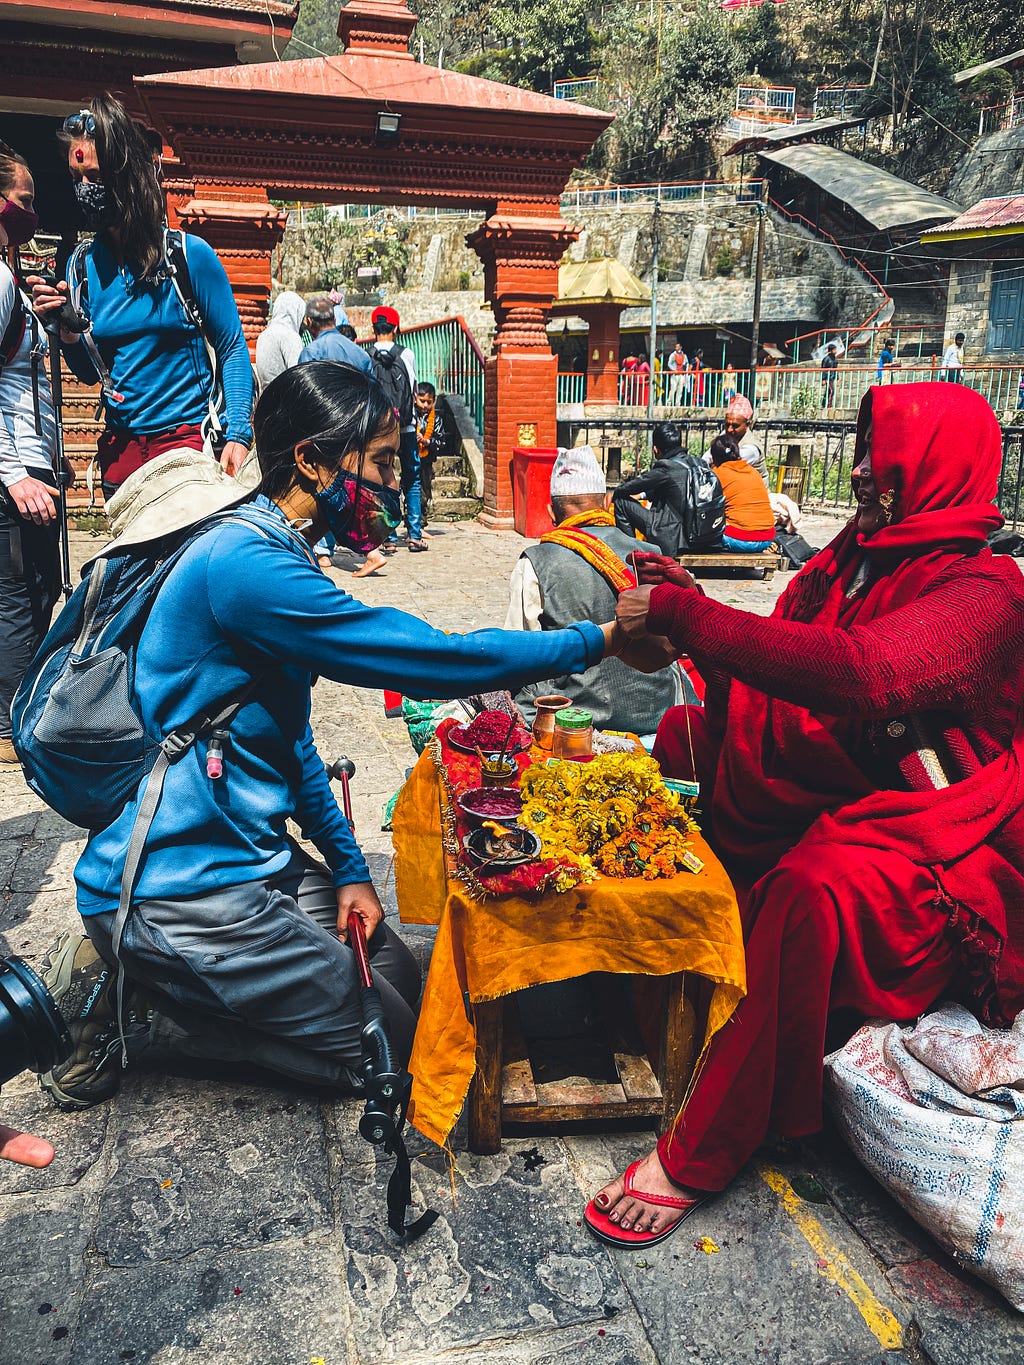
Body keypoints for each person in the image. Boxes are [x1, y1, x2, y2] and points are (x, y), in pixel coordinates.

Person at [35, 362, 650, 1112]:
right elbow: (436, 659)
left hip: (252, 861)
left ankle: (180, 980)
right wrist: (600, 640)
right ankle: (146, 1006)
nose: (394, 483)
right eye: (383, 462)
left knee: (406, 985)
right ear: (313, 461)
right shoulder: (247, 565)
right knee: (389, 1052)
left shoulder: (278, 550)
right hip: (181, 887)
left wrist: (352, 871)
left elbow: (290, 743)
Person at [585, 382, 1024, 1248]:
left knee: (809, 890)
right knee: (683, 738)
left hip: (940, 830)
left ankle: (704, 1148)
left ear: (932, 469)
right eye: (861, 452)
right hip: (855, 778)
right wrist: (692, 608)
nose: (859, 472)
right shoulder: (860, 554)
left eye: (880, 458)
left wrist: (687, 614)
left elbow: (865, 673)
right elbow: (795, 642)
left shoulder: (989, 590)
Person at [29, 96, 254, 497]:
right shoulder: (81, 268)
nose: (84, 190)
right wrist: (66, 330)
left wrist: (237, 431)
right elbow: (88, 372)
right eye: (76, 178)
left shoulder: (188, 257)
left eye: (95, 177)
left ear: (125, 174)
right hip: (123, 457)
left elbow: (233, 345)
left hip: (186, 451)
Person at [505, 446, 683, 738]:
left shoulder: (536, 562)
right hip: (656, 715)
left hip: (575, 725)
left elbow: (517, 652)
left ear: (551, 513)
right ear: (607, 503)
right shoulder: (652, 555)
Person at [0, 143, 61, 769]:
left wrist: (62, 324)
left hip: (31, 458)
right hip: (12, 467)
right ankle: (8, 724)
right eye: (22, 202)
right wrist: (14, 474)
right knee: (17, 597)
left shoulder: (15, 279)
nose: (32, 216)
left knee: (39, 590)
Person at [612, 420, 725, 557]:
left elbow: (628, 487)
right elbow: (676, 490)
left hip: (673, 539)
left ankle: (629, 555)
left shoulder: (666, 467)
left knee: (620, 501)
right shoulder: (699, 463)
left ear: (656, 449)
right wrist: (643, 495)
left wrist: (612, 494)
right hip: (705, 538)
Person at [370, 306, 424, 552]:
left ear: (373, 329)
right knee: (411, 478)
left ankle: (388, 538)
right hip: (406, 427)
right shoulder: (407, 354)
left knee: (382, 478)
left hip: (379, 429)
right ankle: (414, 535)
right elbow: (413, 390)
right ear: (395, 329)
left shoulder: (366, 356)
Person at [708, 432, 776, 553]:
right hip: (767, 537)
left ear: (714, 457)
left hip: (739, 539)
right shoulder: (753, 471)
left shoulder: (717, 474)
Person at [297, 296, 372, 375]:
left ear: (309, 322)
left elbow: (303, 385)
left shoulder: (311, 353)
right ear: (335, 320)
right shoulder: (360, 352)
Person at [255, 290, 306, 390]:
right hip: (285, 397)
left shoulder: (264, 334)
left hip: (267, 395)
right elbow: (298, 373)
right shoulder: (290, 336)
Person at [413, 381, 450, 514]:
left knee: (425, 491)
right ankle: (412, 522)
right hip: (411, 458)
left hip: (426, 461)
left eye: (429, 402)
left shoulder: (437, 420)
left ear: (434, 401)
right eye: (422, 401)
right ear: (415, 398)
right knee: (411, 490)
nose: (425, 405)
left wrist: (428, 441)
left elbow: (441, 441)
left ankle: (421, 523)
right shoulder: (411, 416)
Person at [722, 394, 768, 484]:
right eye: (727, 425)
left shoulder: (751, 448)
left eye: (735, 426)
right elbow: (707, 459)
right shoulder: (726, 435)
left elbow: (727, 467)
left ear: (747, 425)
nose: (729, 429)